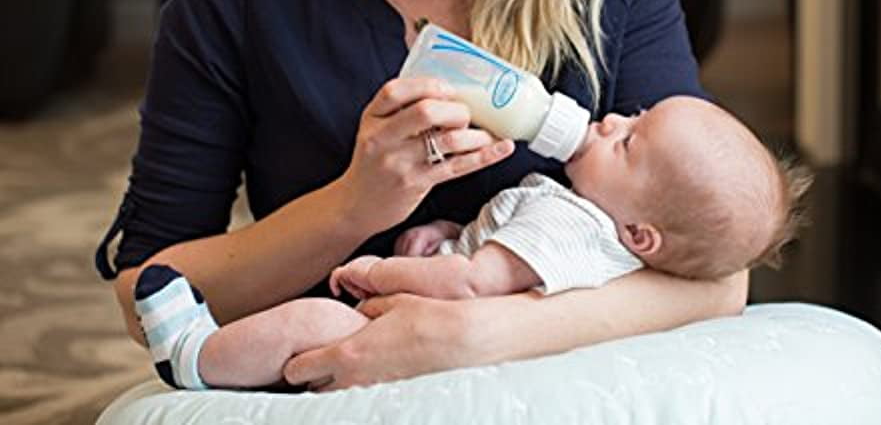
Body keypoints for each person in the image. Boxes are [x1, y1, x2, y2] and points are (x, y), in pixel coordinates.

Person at [96, 0, 753, 391]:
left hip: (556, 390)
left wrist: (471, 334)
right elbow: (146, 295)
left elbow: (719, 274)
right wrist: (350, 207)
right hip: (331, 383)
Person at [133, 95, 810, 390]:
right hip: (445, 316)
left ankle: (198, 357)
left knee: (315, 322)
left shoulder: (574, 224)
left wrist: (383, 269)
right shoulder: (589, 224)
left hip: (419, 335)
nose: (610, 119)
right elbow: (492, 258)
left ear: (641, 235)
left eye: (629, 139)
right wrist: (450, 234)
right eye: (632, 116)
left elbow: (473, 284)